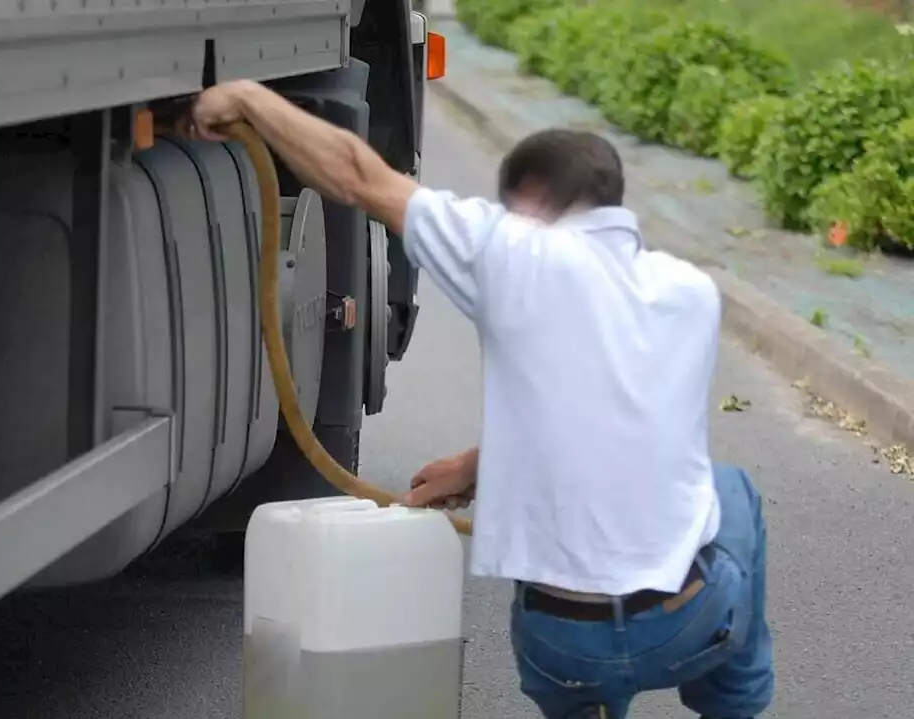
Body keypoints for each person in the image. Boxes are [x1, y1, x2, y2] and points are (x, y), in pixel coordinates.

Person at [184, 79, 774, 718]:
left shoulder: (511, 251)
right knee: (732, 493)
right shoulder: (690, 292)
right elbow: (609, 413)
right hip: (686, 625)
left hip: (561, 646)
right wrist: (472, 468)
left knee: (585, 658)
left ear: (527, 204)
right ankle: (733, 707)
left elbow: (358, 176)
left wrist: (247, 98)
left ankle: (593, 700)